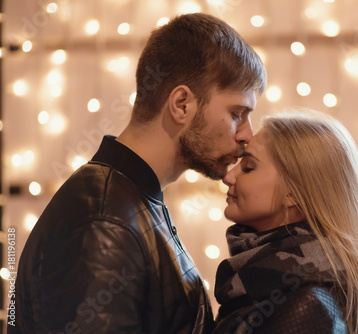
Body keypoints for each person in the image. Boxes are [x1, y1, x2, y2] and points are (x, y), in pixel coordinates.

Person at [9, 13, 266, 334]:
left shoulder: (131, 198)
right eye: (237, 113)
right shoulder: (104, 222)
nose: (247, 134)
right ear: (182, 104)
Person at [212, 110, 358, 334]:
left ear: (294, 195)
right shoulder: (282, 286)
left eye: (249, 167)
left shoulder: (306, 309)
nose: (228, 177)